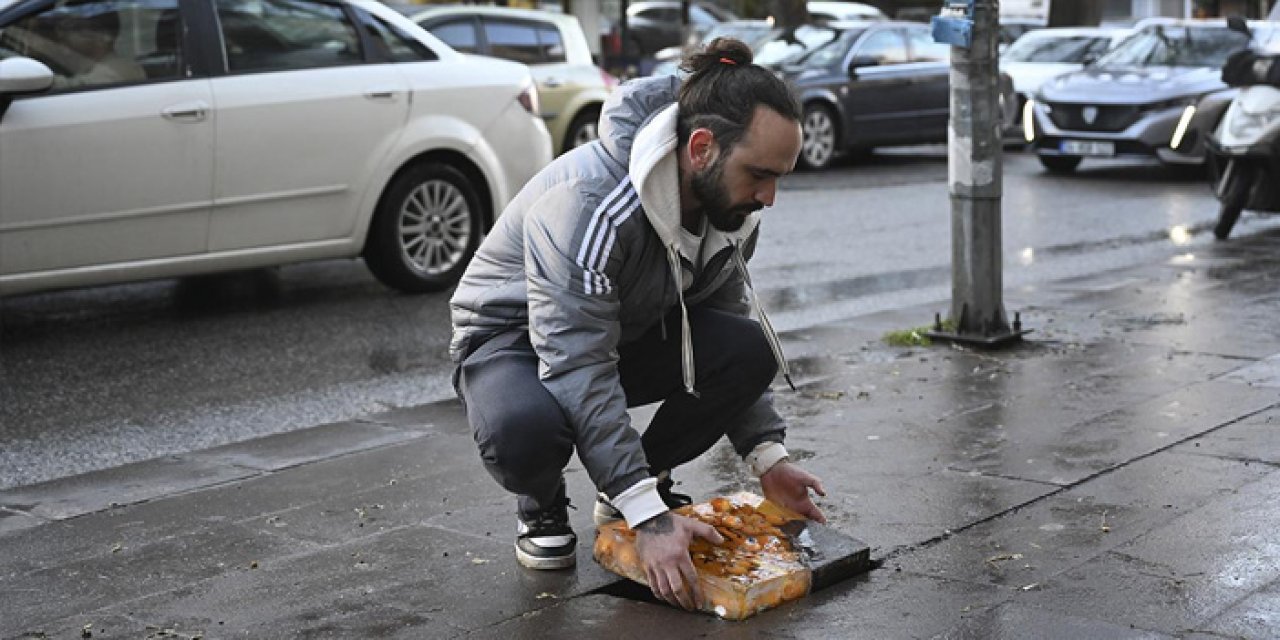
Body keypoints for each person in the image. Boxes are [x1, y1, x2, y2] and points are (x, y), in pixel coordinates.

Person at [448, 38, 827, 611]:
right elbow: (576, 362)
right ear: (701, 148)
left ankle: (628, 482)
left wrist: (767, 458)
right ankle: (543, 502)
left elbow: (722, 327)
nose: (769, 197)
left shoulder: (731, 206)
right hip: (513, 340)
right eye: (759, 174)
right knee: (524, 431)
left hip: (621, 331)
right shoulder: (591, 205)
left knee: (747, 350)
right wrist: (651, 520)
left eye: (779, 178)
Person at [51, 6, 145, 88]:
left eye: (76, 27)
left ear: (105, 35)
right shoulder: (95, 67)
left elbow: (69, 87)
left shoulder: (114, 70)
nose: (65, 32)